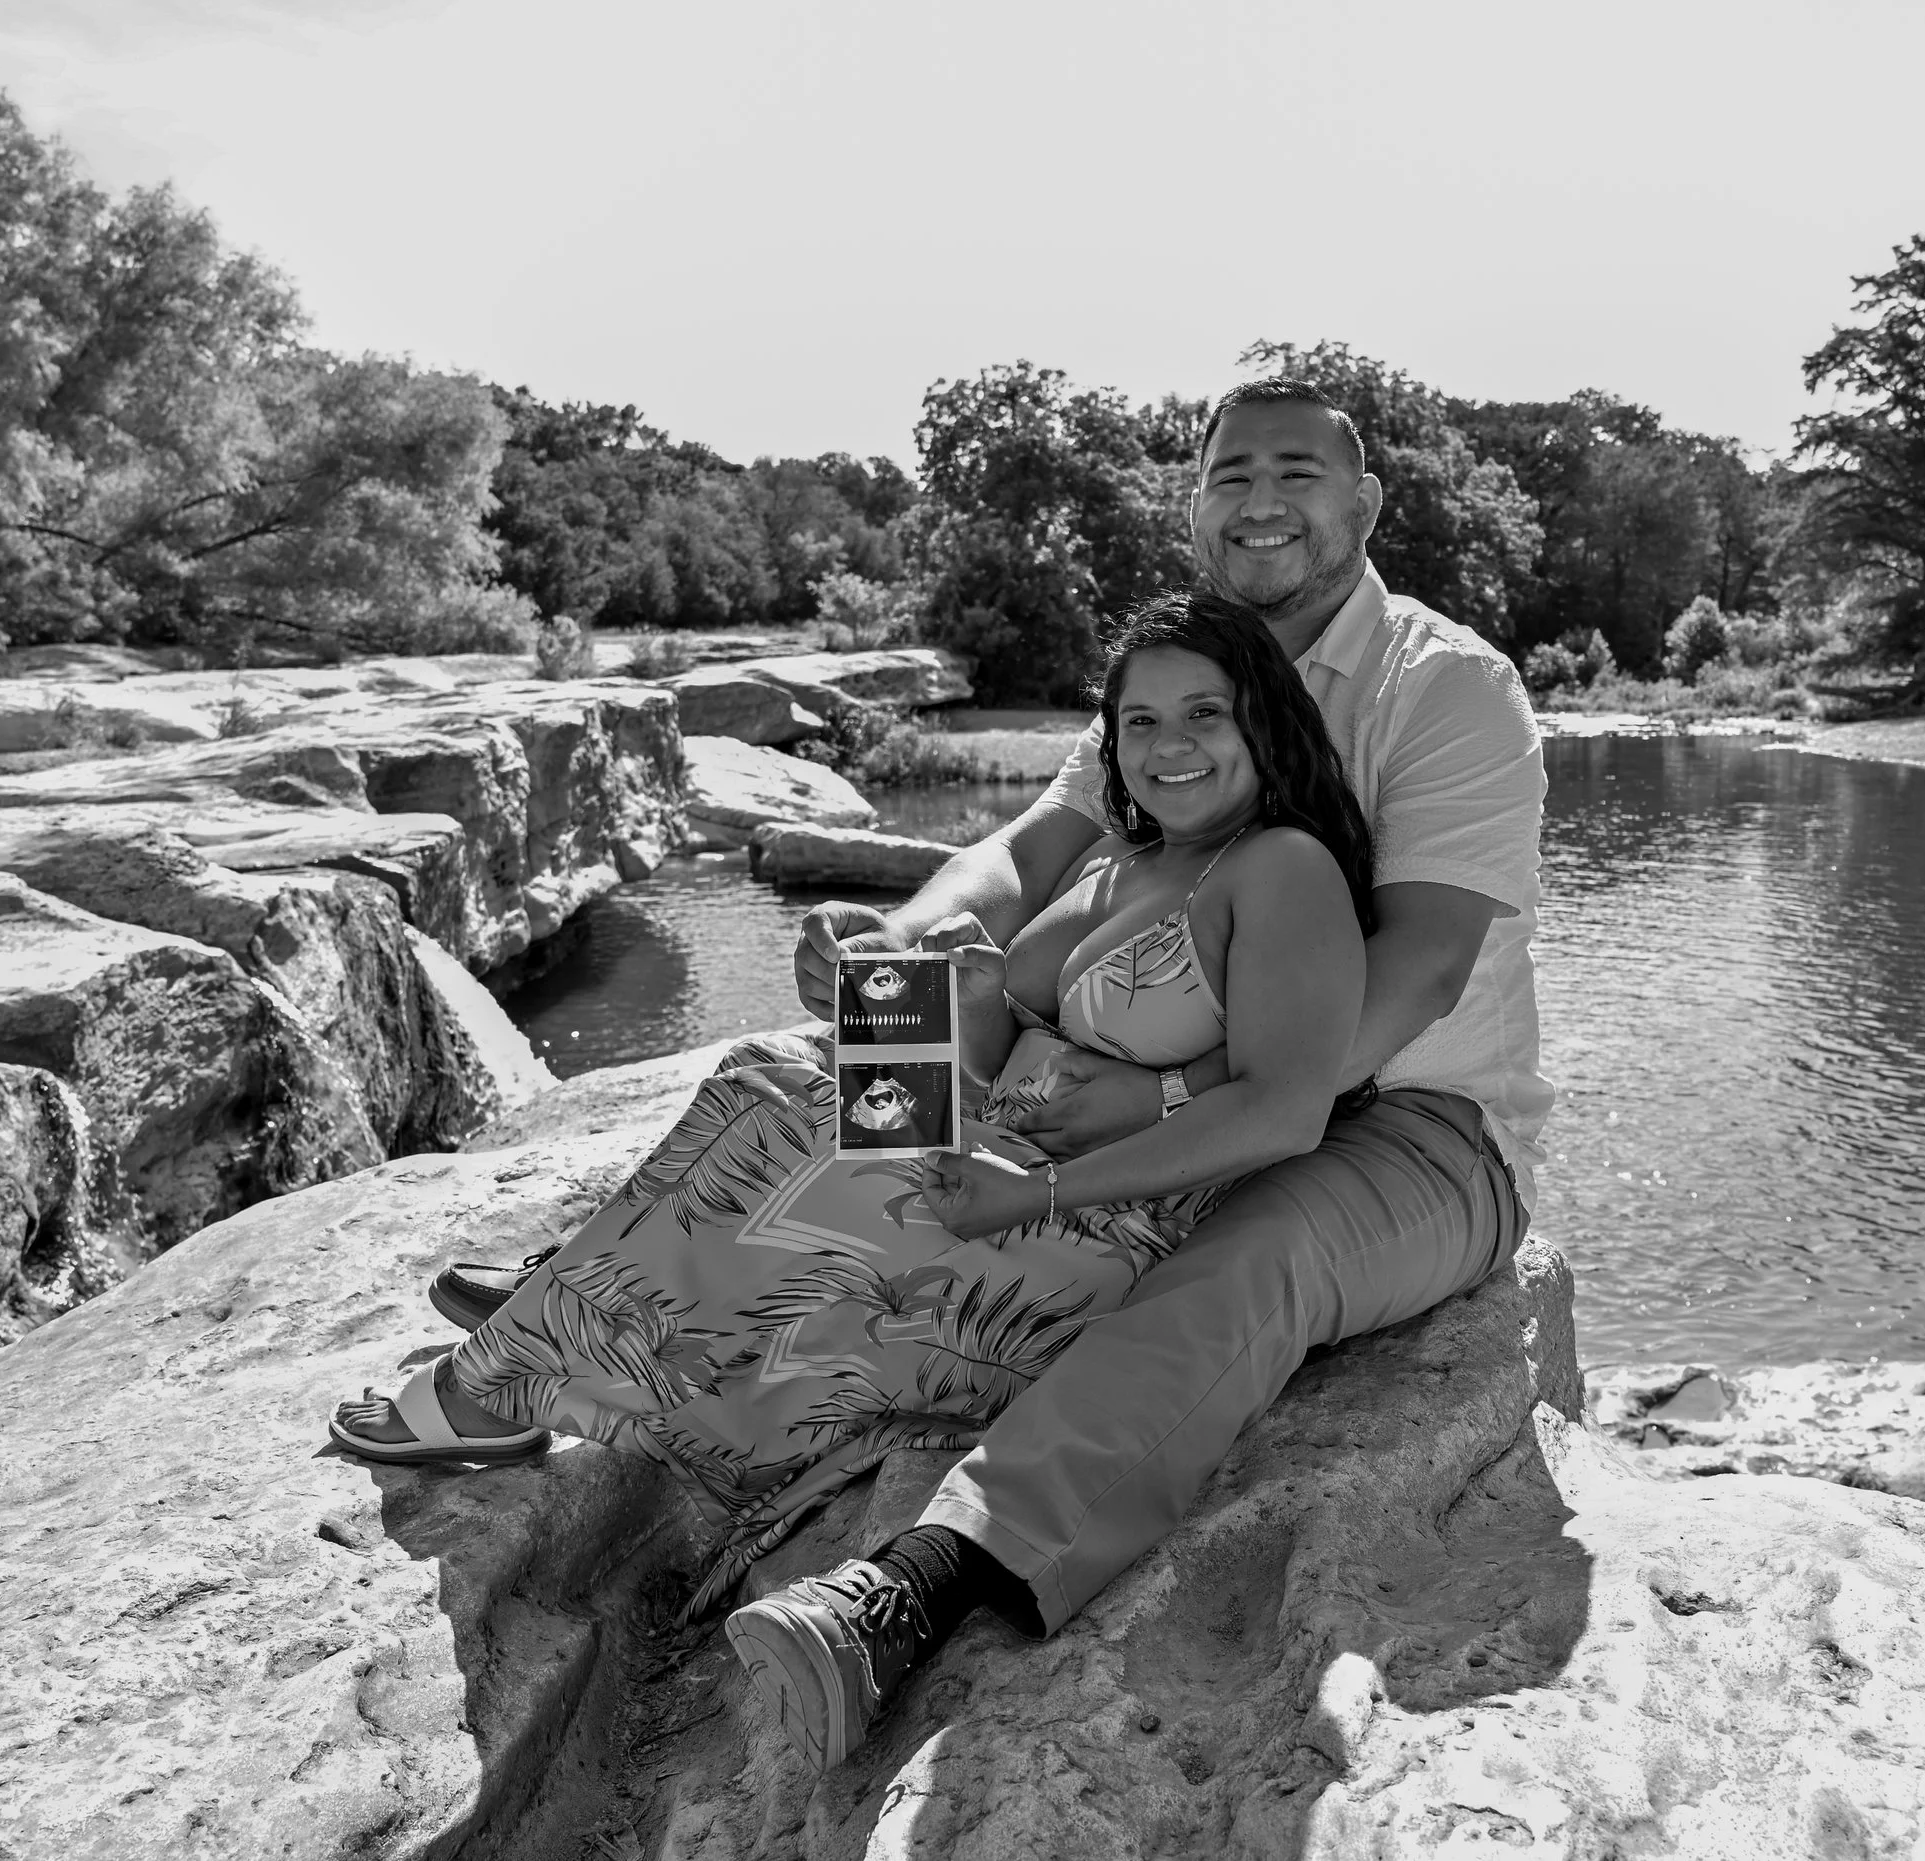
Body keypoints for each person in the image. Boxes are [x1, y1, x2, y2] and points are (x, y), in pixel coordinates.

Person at [723, 377, 1547, 1772]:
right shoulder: (1179, 677)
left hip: (1414, 1122)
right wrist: (903, 945)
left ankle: (924, 1579)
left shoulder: (1448, 686)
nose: (1261, 498)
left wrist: (1180, 1114)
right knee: (853, 1047)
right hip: (1132, 1071)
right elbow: (1028, 851)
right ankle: (664, 1286)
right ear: (1195, 502)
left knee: (1250, 1256)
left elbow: (1419, 973)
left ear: (1366, 504)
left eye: (1297, 470)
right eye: (1230, 472)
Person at [328, 588, 1377, 1626]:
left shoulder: (1281, 868)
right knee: (775, 1073)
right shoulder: (1127, 853)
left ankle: (498, 1383)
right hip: (998, 1150)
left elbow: (1285, 1111)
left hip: (1092, 1225)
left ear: (1265, 722)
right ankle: (565, 1331)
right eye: (1139, 720)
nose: (1167, 745)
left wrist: (1035, 1191)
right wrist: (920, 976)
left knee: (801, 1130)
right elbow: (1007, 1043)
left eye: (1205, 713)